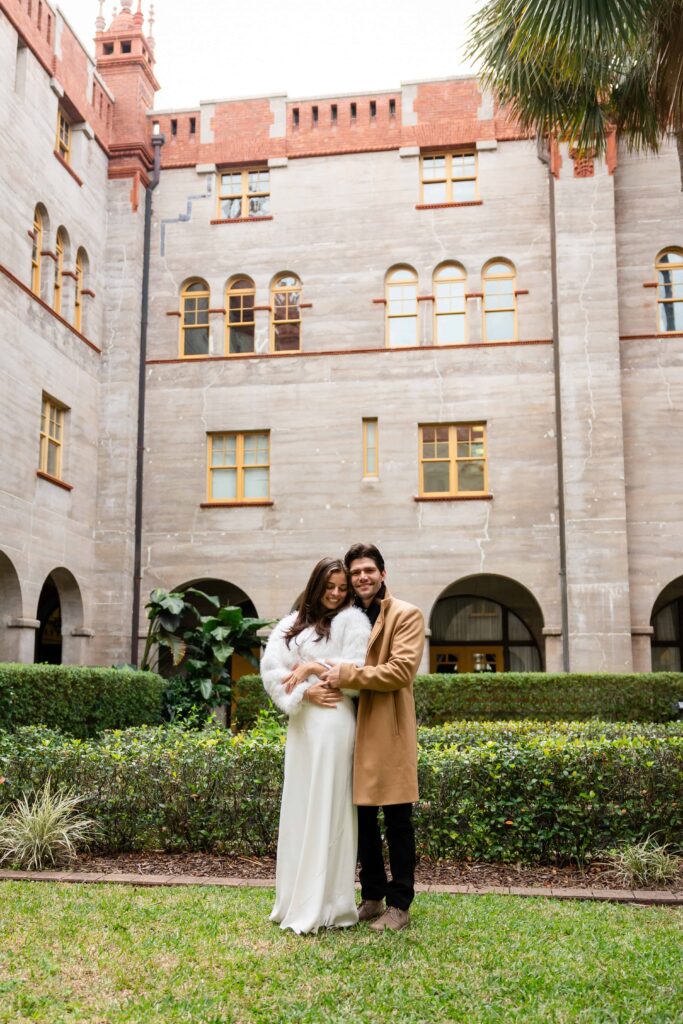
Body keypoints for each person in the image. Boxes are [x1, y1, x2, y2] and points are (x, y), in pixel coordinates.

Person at [260, 557, 371, 934]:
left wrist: (312, 668)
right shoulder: (291, 625)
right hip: (303, 724)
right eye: (330, 588)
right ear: (316, 585)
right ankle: (294, 900)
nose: (337, 594)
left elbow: (357, 671)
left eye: (343, 588)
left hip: (336, 721)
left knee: (329, 806)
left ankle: (330, 903)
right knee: (301, 805)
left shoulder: (353, 620)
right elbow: (273, 671)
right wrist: (305, 693)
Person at [320, 543, 424, 932]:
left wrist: (346, 675)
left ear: (383, 573)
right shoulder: (343, 617)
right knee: (362, 820)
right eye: (355, 572)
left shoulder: (405, 614)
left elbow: (399, 671)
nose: (362, 577)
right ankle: (373, 896)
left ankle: (400, 904)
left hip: (386, 729)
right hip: (349, 727)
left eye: (369, 570)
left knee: (397, 819)